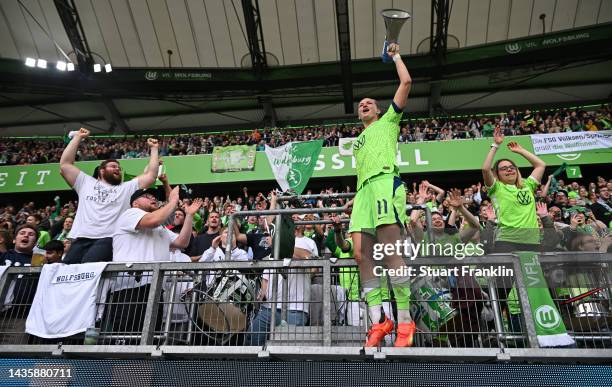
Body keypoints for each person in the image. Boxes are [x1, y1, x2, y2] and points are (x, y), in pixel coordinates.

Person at [347, 42, 415, 347]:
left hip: (386, 183)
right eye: (361, 104)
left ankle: (404, 320)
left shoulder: (389, 121)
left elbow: (406, 82)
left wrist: (396, 55)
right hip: (363, 193)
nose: (364, 105)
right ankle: (379, 321)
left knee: (390, 253)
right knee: (360, 254)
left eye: (369, 102)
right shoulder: (357, 141)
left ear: (378, 110)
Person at [59, 128, 160, 264]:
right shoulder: (85, 182)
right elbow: (65, 164)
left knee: (88, 269)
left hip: (108, 239)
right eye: (113, 166)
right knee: (67, 272)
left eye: (119, 167)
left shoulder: (126, 188)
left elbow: (151, 176)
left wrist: (154, 149)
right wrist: (78, 137)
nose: (117, 169)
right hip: (80, 238)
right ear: (101, 171)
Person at [481, 127, 546, 252]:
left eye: (512, 167)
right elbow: (485, 169)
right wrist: (496, 145)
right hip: (507, 240)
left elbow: (540, 165)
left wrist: (521, 150)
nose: (509, 170)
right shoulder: (496, 188)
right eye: (504, 168)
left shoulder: (528, 185)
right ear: (497, 174)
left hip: (532, 240)